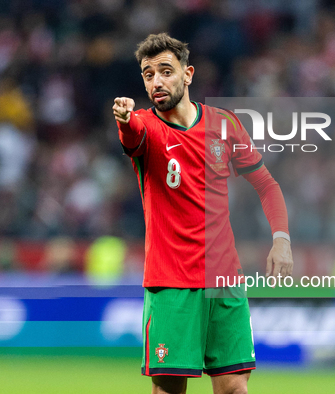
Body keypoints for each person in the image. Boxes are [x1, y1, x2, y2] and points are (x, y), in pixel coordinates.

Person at [113, 33, 293, 394]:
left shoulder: (224, 125)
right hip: (172, 282)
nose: (157, 81)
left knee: (234, 387)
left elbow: (267, 185)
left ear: (188, 74)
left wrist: (282, 240)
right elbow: (132, 135)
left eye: (166, 71)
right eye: (149, 75)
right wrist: (124, 118)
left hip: (224, 279)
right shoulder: (147, 125)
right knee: (169, 388)